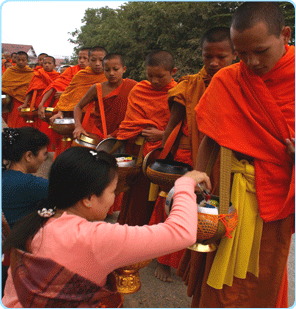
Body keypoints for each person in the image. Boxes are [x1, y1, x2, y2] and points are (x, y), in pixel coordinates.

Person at [178, 3, 295, 307]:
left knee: (263, 272)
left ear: (285, 35)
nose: (251, 62)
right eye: (241, 54)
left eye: (260, 51)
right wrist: (196, 189)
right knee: (218, 274)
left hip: (276, 199)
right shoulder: (228, 80)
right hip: (228, 193)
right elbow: (210, 138)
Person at [2, 146, 211, 307]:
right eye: (112, 191)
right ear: (89, 198)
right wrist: (184, 184)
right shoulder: (95, 238)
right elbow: (182, 232)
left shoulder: (34, 221)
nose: (115, 198)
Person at [151, 27, 237, 283]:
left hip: (225, 159)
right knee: (177, 206)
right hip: (187, 156)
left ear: (235, 54)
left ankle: (200, 267)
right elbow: (173, 126)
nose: (213, 63)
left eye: (221, 57)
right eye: (207, 56)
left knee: (212, 213)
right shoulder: (189, 86)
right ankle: (164, 260)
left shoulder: (240, 84)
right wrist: (164, 157)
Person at [116, 50, 177, 227]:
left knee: (155, 196)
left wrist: (162, 134)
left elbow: (183, 126)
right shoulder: (140, 89)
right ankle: (129, 226)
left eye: (160, 76)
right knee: (135, 194)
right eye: (150, 75)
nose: (155, 81)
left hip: (162, 153)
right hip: (138, 149)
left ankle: (151, 235)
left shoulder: (178, 93)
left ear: (173, 72)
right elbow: (130, 122)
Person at [48, 46, 108, 159]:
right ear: (89, 61)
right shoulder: (81, 76)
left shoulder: (110, 76)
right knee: (74, 152)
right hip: (79, 119)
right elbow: (68, 96)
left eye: (101, 60)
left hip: (101, 121)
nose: (97, 64)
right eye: (93, 60)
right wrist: (60, 111)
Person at [73, 53, 137, 140]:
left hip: (125, 134)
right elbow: (78, 106)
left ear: (124, 69)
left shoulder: (133, 86)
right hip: (100, 135)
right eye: (107, 70)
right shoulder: (98, 88)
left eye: (115, 69)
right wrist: (78, 126)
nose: (111, 73)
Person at [2, 127, 49, 229]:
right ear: (29, 156)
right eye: (44, 153)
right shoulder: (28, 184)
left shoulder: (5, 176)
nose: (45, 158)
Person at [37, 48, 89, 119]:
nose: (81, 61)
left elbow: (89, 93)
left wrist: (66, 94)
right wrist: (41, 103)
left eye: (85, 58)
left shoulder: (95, 74)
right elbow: (55, 85)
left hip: (87, 109)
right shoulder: (71, 71)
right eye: (79, 58)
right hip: (66, 110)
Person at [19, 56, 59, 133]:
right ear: (42, 64)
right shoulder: (37, 75)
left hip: (51, 103)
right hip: (37, 102)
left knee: (48, 125)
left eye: (49, 63)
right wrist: (25, 103)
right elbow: (30, 90)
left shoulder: (58, 76)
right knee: (37, 124)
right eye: (45, 63)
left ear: (54, 65)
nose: (47, 65)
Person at [2, 51, 34, 128]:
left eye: (23, 60)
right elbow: (4, 85)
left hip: (28, 101)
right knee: (13, 123)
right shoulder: (10, 71)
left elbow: (33, 87)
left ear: (27, 61)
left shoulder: (31, 73)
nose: (21, 62)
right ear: (15, 60)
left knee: (26, 125)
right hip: (13, 102)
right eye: (18, 60)